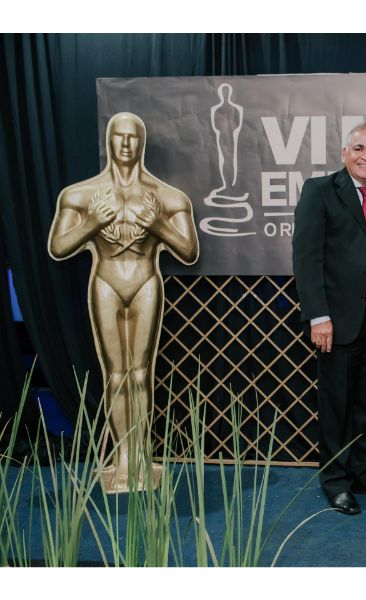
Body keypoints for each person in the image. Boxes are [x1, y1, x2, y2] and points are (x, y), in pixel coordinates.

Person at [48, 112, 199, 491]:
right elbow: (58, 246)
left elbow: (188, 251)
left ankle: (142, 452)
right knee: (115, 373)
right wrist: (91, 224)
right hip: (106, 281)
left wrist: (158, 225)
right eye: (120, 136)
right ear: (109, 140)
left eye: (133, 137)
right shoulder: (81, 195)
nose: (127, 144)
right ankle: (125, 456)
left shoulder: (167, 196)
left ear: (142, 142)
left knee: (140, 373)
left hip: (146, 280)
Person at [292, 123, 366, 515]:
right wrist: (318, 316)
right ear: (344, 153)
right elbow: (306, 258)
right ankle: (336, 482)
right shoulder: (320, 191)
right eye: (359, 148)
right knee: (336, 405)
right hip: (336, 320)